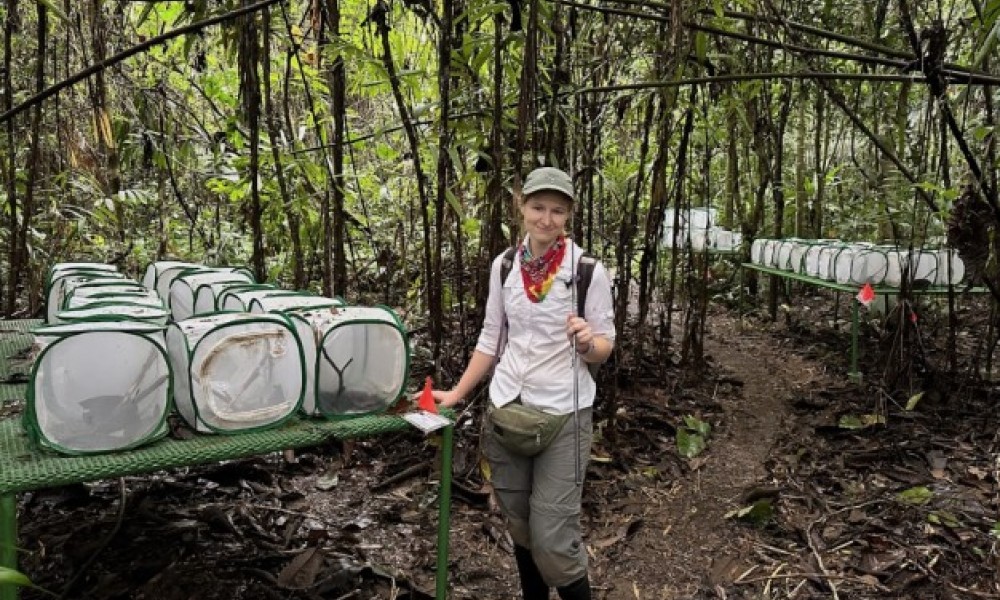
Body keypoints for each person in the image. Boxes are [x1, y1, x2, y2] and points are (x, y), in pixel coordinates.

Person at [430, 166, 615, 600]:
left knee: (553, 535)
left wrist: (589, 343)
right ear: (521, 206)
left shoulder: (587, 270)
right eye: (537, 208)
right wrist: (457, 393)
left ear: (568, 214)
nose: (546, 219)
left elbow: (605, 346)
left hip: (563, 414)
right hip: (507, 407)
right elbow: (491, 337)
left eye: (556, 211)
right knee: (520, 526)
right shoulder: (505, 265)